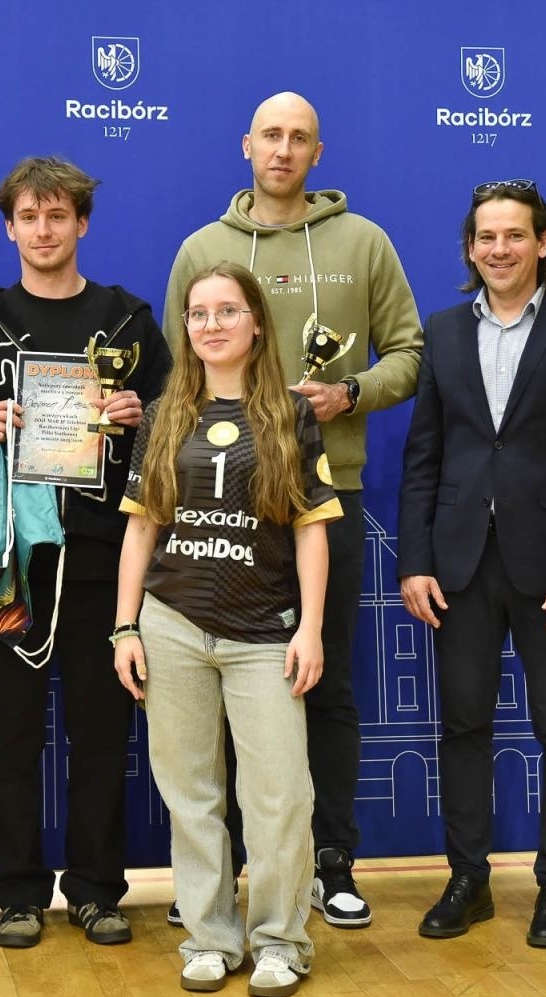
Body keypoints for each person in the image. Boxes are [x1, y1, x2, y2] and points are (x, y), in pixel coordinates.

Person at [164, 91, 422, 927]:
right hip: (213, 511)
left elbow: (410, 356)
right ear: (246, 145)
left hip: (323, 500)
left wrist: (348, 394)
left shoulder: (363, 241)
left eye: (298, 138)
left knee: (326, 684)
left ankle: (332, 863)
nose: (283, 149)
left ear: (318, 151)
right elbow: (179, 374)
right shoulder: (203, 249)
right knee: (221, 698)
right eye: (270, 135)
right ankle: (226, 880)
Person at [398, 180, 546, 948]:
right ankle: (468, 881)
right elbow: (424, 458)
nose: (499, 249)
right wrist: (414, 562)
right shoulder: (443, 332)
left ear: (543, 244)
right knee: (462, 727)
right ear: (471, 248)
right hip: (458, 569)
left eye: (514, 236)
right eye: (486, 237)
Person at [0, 157, 171, 948]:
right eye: (29, 217)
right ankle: (17, 891)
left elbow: (173, 431)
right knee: (11, 733)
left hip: (100, 558)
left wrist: (135, 418)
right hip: (11, 561)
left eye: (59, 216)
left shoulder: (127, 321)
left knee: (100, 732)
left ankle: (94, 889)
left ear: (82, 223)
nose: (44, 230)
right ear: (9, 226)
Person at [116, 262, 341, 997]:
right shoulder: (163, 415)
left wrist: (309, 628)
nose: (211, 324)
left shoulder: (292, 415)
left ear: (254, 324)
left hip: (263, 633)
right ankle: (211, 938)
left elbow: (312, 532)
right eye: (198, 313)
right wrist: (126, 628)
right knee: (191, 793)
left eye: (227, 311)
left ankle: (280, 940)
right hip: (174, 625)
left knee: (280, 795)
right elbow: (142, 529)